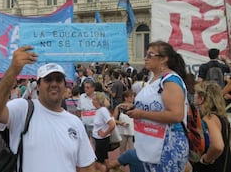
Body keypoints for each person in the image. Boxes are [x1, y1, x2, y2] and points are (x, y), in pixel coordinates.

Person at [0, 46, 98, 172]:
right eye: (48, 80)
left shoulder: (75, 123)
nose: (54, 84)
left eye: (58, 80)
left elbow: (86, 167)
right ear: (38, 86)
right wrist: (13, 70)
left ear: (64, 85)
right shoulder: (23, 109)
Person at [124, 40, 189, 172]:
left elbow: (176, 115)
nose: (145, 58)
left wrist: (141, 114)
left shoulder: (170, 80)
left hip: (168, 143)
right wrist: (134, 109)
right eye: (146, 55)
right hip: (151, 142)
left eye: (150, 55)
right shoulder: (153, 80)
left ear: (164, 59)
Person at [193, 81, 230, 171]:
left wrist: (206, 159)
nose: (194, 96)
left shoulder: (210, 118)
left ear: (201, 98)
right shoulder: (223, 119)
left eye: (195, 93)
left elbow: (218, 146)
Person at [91, 92, 115, 170]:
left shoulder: (102, 110)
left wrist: (104, 133)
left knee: (98, 162)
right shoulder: (99, 110)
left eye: (94, 99)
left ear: (99, 101)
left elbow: (112, 124)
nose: (92, 101)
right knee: (105, 158)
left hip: (101, 140)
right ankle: (108, 169)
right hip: (99, 139)